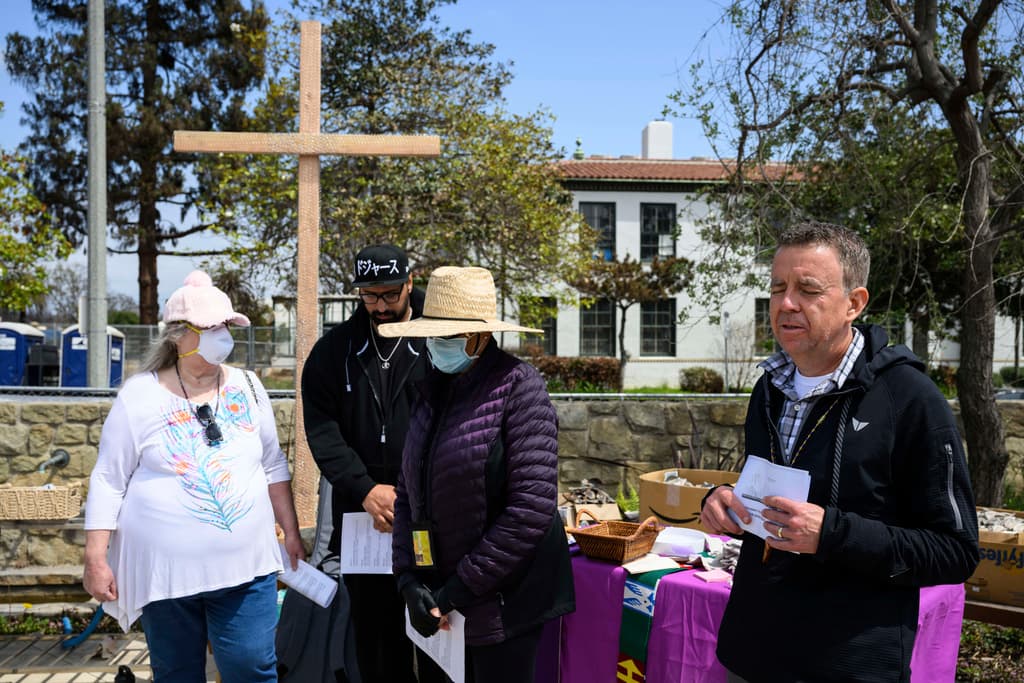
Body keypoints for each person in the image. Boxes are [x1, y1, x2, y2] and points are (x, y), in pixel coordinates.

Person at [699, 222, 979, 683]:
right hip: (747, 653)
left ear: (854, 303)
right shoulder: (769, 387)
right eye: (777, 288)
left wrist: (830, 533)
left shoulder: (910, 398)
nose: (786, 303)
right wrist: (725, 496)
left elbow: (955, 551)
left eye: (807, 289)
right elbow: (772, 486)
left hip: (846, 664)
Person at [83, 270, 304, 682]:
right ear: (178, 335)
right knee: (177, 673)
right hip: (164, 575)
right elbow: (109, 479)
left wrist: (290, 532)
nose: (223, 335)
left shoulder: (250, 386)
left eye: (225, 326)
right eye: (212, 328)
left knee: (251, 666)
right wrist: (96, 557)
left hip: (247, 568)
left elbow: (273, 464)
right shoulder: (139, 395)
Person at [378, 266, 575, 683]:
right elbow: (408, 493)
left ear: (480, 337)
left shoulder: (520, 387)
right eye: (431, 334)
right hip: (437, 601)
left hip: (502, 603)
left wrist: (456, 591)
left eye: (446, 336)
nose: (435, 345)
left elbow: (531, 509)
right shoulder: (431, 388)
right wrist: (409, 579)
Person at [301, 244, 433, 682]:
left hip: (428, 513)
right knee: (375, 636)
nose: (379, 306)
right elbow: (323, 431)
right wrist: (364, 489)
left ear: (410, 284)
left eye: (389, 295)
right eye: (369, 296)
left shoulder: (438, 339)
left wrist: (410, 492)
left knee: (436, 627)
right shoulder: (334, 350)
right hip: (362, 521)